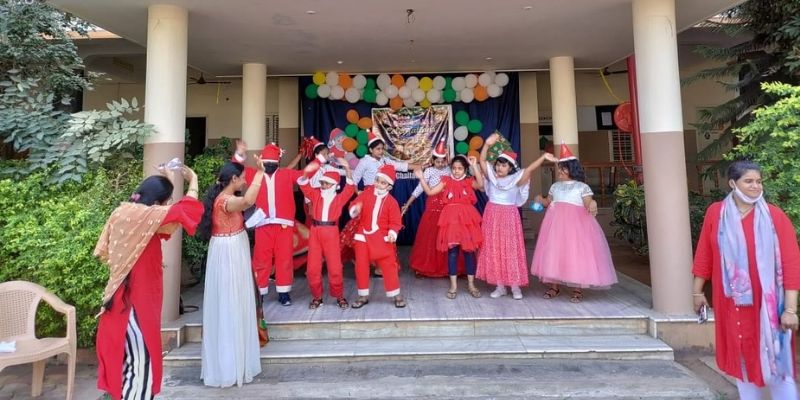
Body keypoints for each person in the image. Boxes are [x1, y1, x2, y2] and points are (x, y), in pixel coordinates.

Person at [692, 160, 800, 399]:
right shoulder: (716, 213)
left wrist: (790, 309)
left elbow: (791, 265)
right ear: (733, 183)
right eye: (748, 181)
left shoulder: (774, 216)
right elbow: (705, 255)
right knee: (742, 361)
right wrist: (697, 292)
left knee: (778, 366)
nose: (756, 186)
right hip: (732, 304)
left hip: (768, 308)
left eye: (759, 181)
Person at [94, 165, 203, 400]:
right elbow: (186, 210)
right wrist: (193, 180)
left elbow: (168, 219)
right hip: (133, 306)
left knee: (129, 368)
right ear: (156, 203)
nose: (166, 206)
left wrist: (167, 181)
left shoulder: (123, 212)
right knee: (142, 369)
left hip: (120, 302)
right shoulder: (146, 216)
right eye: (165, 201)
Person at [197, 159, 264, 387]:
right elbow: (247, 201)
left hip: (232, 248)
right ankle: (229, 366)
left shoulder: (223, 198)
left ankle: (236, 362)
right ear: (233, 179)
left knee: (235, 302)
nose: (244, 181)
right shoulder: (225, 200)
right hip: (228, 253)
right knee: (230, 303)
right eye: (242, 178)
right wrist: (260, 173)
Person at [530, 143, 617, 303]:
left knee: (576, 255)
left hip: (575, 228)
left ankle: (577, 289)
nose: (560, 171)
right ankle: (554, 287)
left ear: (573, 169)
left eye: (563, 168)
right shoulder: (555, 186)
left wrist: (593, 203)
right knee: (555, 254)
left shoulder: (582, 187)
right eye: (559, 168)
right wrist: (539, 199)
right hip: (555, 227)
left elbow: (588, 202)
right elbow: (548, 202)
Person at [476, 133, 556, 300]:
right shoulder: (492, 177)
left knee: (510, 250)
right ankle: (500, 286)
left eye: (504, 165)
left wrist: (543, 157)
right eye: (498, 164)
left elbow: (529, 169)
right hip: (492, 215)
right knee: (494, 249)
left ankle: (515, 286)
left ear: (510, 167)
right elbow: (482, 161)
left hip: (509, 216)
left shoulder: (517, 179)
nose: (499, 168)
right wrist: (486, 145)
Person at [233, 140, 303, 306]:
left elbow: (306, 174)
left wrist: (321, 160)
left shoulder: (286, 174)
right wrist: (240, 153)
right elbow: (235, 168)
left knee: (284, 258)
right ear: (261, 162)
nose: (269, 167)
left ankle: (284, 292)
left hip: (283, 225)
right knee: (261, 258)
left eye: (272, 164)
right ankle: (260, 291)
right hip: (262, 224)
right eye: (266, 164)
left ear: (278, 163)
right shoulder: (254, 174)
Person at [342, 130, 422, 271]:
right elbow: (354, 180)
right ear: (371, 150)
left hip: (383, 200)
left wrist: (416, 167)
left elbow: (401, 166)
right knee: (365, 231)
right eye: (378, 149)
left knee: (381, 231)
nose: (380, 151)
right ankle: (365, 261)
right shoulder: (364, 162)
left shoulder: (386, 161)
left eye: (382, 149)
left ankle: (380, 264)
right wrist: (359, 193)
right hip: (369, 200)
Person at [414, 155, 484, 299]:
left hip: (466, 221)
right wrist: (421, 178)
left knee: (469, 253)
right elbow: (430, 192)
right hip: (451, 221)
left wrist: (475, 166)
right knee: (452, 253)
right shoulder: (445, 181)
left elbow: (481, 185)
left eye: (460, 168)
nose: (456, 171)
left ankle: (471, 285)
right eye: (454, 168)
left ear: (465, 169)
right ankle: (453, 286)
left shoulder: (469, 181)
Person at [297, 157, 356, 309]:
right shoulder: (315, 194)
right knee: (312, 268)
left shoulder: (340, 198)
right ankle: (317, 297)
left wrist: (347, 169)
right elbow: (303, 184)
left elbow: (350, 187)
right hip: (315, 231)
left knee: (335, 267)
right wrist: (307, 172)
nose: (323, 185)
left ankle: (339, 295)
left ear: (334, 185)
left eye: (326, 183)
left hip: (331, 232)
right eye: (322, 183)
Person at [348, 164, 405, 308]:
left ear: (389, 186)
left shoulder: (392, 202)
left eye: (383, 183)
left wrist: (392, 233)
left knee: (389, 265)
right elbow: (354, 205)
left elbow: (395, 222)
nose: (378, 184)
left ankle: (395, 294)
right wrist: (355, 209)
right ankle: (363, 295)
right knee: (361, 265)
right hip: (363, 236)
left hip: (382, 238)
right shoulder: (366, 194)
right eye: (377, 180)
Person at [402, 139, 459, 278]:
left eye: (443, 161)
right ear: (433, 160)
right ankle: (426, 267)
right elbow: (419, 189)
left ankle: (448, 268)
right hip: (433, 207)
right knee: (430, 237)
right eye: (437, 161)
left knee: (447, 238)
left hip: (448, 208)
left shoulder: (450, 171)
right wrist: (408, 204)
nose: (440, 164)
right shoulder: (429, 171)